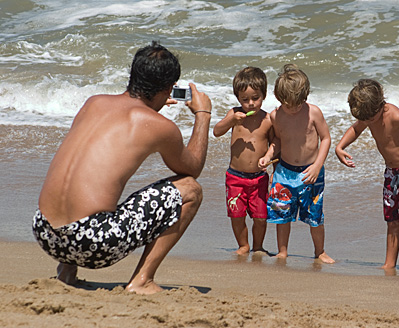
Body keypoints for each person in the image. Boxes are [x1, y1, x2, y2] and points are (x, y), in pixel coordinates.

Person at [32, 41, 213, 294]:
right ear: (168, 88)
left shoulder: (93, 103)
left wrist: (154, 106)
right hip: (89, 244)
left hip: (45, 232)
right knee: (191, 190)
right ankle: (142, 280)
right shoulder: (158, 125)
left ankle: (66, 271)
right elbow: (192, 168)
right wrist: (203, 115)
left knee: (84, 183)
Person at [336, 79, 399, 272]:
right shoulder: (368, 116)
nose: (368, 123)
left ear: (380, 104)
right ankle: (389, 264)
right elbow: (356, 128)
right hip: (392, 174)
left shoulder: (394, 115)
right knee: (392, 221)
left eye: (371, 120)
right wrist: (340, 147)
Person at [258, 64, 334, 264]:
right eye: (288, 104)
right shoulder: (276, 115)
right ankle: (282, 251)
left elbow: (325, 138)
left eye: (297, 104)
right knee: (281, 214)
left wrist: (318, 165)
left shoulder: (313, 113)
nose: (293, 108)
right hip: (285, 172)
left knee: (315, 216)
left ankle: (320, 251)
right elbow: (278, 141)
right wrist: (267, 157)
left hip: (311, 172)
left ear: (305, 97)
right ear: (279, 98)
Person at [213, 67, 274, 256]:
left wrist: (269, 158)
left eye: (255, 98)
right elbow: (217, 131)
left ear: (263, 94)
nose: (250, 104)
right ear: (238, 98)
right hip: (235, 177)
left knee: (261, 217)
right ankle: (243, 245)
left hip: (259, 178)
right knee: (237, 215)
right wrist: (231, 121)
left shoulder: (268, 119)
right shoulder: (234, 114)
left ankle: (258, 246)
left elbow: (275, 143)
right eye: (245, 99)